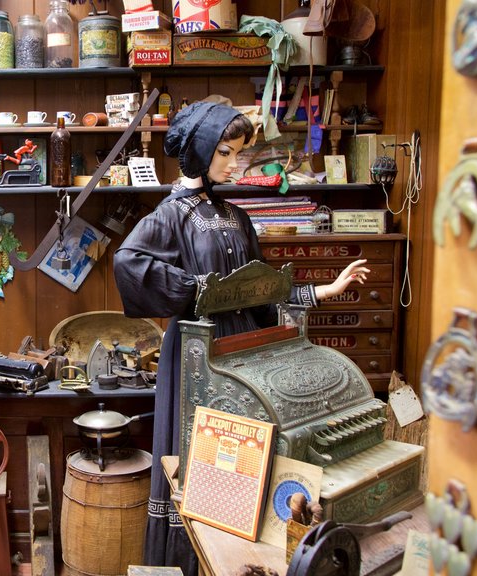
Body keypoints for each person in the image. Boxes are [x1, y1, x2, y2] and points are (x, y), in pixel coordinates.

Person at [112, 102, 370, 571]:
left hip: (244, 350)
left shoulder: (236, 215)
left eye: (239, 153)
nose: (235, 164)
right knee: (197, 462)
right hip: (197, 353)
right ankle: (190, 562)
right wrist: (199, 293)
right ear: (199, 152)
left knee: (242, 463)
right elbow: (129, 264)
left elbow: (262, 293)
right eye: (226, 153)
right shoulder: (172, 215)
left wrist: (324, 290)